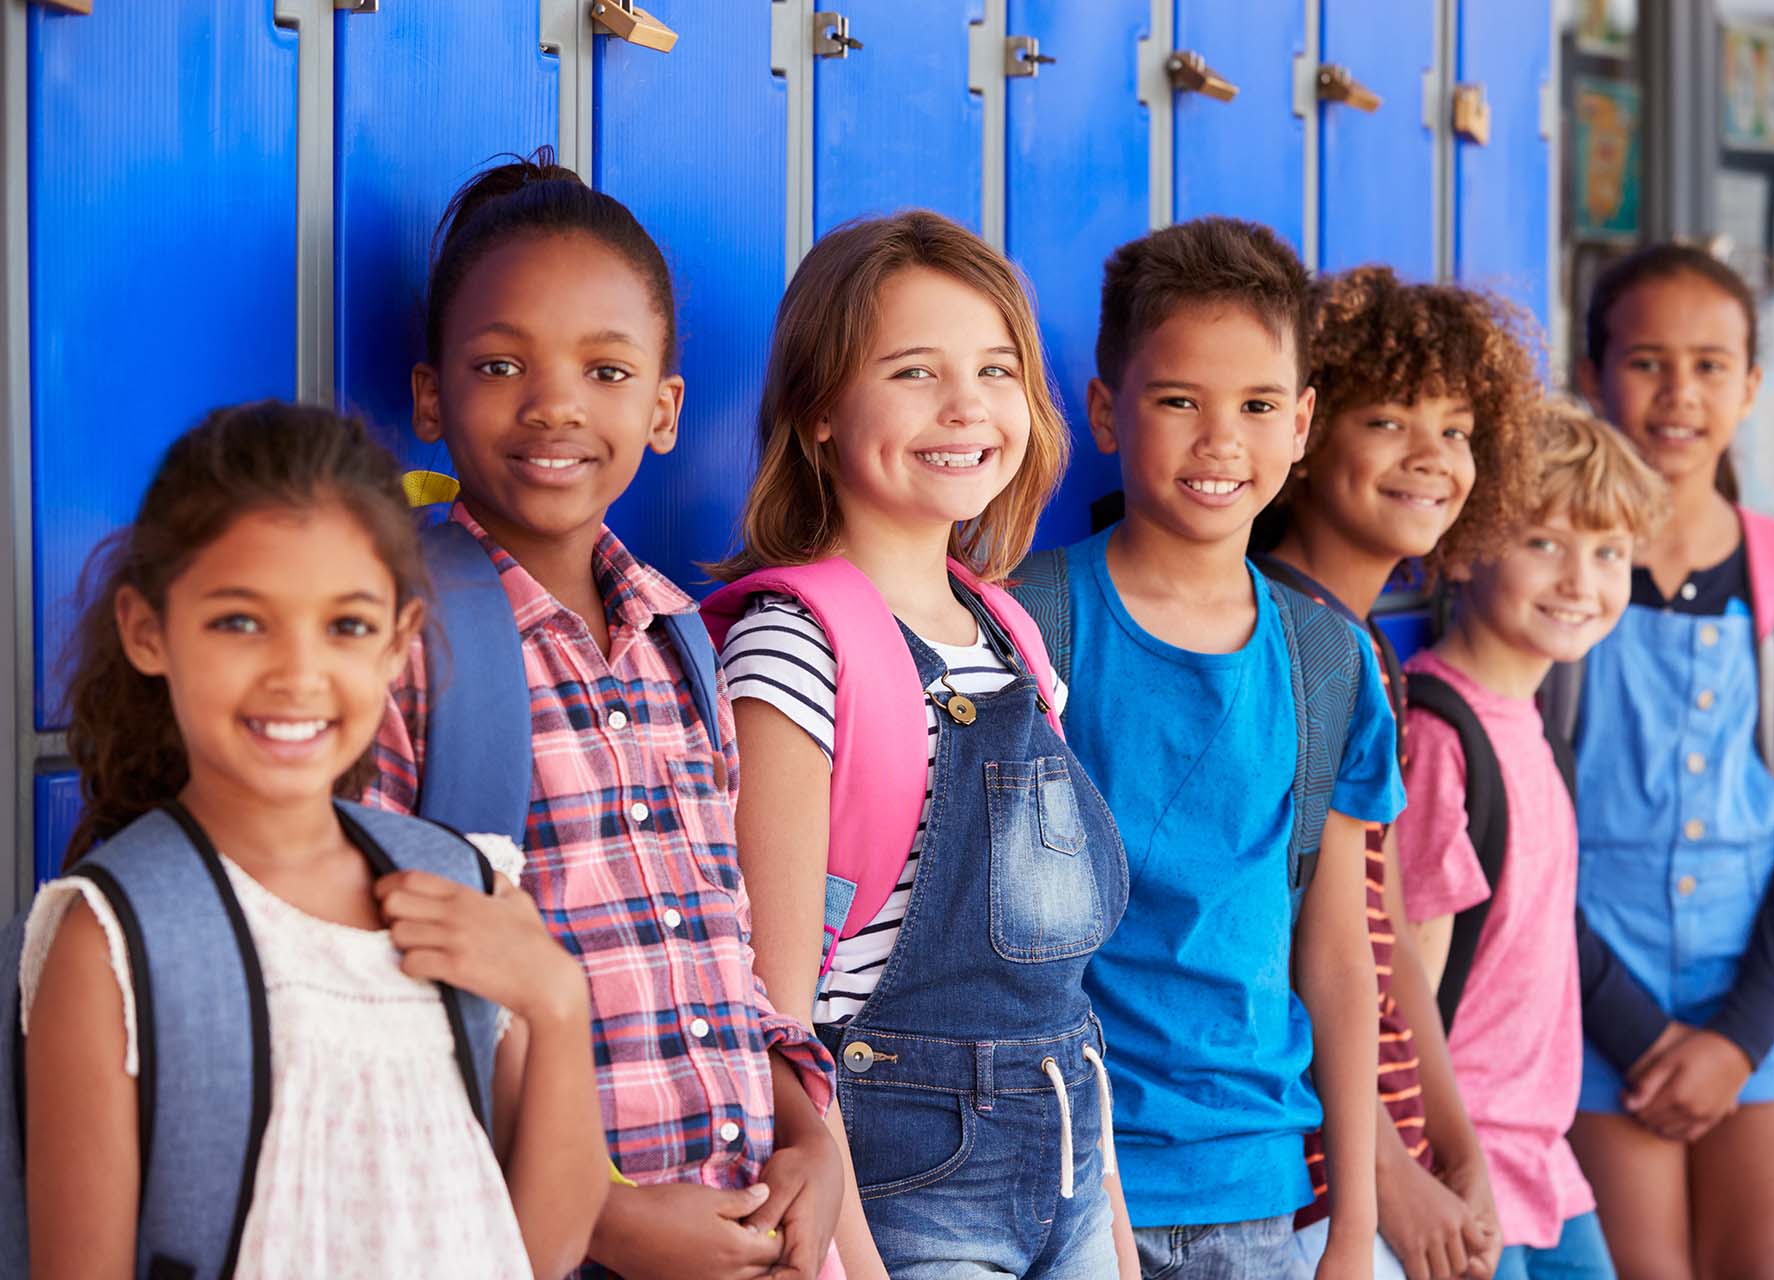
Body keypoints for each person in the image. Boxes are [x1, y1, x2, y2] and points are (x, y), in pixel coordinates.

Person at [365, 154, 842, 1280]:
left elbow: (719, 951)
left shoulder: (684, 636)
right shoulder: (398, 644)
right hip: (541, 1238)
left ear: (665, 409)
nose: (556, 404)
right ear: (431, 394)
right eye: (499, 363)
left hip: (751, 1233)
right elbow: (386, 992)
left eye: (607, 368)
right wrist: (604, 1219)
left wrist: (811, 1134)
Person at [21, 403, 606, 1277]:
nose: (298, 674)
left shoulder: (468, 889)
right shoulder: (108, 940)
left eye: (347, 626)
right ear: (150, 632)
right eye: (241, 622)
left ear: (398, 642)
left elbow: (544, 1249)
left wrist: (558, 1004)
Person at [704, 210, 1136, 1280]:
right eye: (913, 372)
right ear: (816, 413)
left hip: (1069, 1133)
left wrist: (1115, 1237)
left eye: (996, 369)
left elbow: (1062, 994)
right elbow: (779, 1011)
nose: (967, 407)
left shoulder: (1011, 633)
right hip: (905, 1171)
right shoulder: (797, 645)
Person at [1033, 217, 1403, 1278]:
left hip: (1261, 1191)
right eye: (1177, 401)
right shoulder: (1030, 629)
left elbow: (1337, 954)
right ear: (1106, 411)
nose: (1219, 440)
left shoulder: (1331, 660)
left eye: (1254, 406)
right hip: (1065, 1182)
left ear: (1302, 424)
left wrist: (1353, 1221)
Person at [1565, 243, 1774, 1277]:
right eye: (1645, 361)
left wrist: (1738, 1036)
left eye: (1710, 364)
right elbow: (1524, 835)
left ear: (1752, 385)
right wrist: (1640, 1032)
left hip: (1761, 1002)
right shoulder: (1555, 573)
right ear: (1592, 372)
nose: (1678, 393)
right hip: (1595, 999)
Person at [1255, 265, 1542, 1279]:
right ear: (1303, 434)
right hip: (1306, 1183)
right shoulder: (1271, 636)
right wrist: (1392, 1178)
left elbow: (1387, 934)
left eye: (1458, 429)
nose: (1433, 459)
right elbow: (1289, 952)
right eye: (1388, 421)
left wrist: (1455, 1148)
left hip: (1388, 1155)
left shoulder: (1367, 649)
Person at [1397, 402, 1668, 1279]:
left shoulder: (1531, 720)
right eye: (1545, 543)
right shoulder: (1441, 739)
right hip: (1461, 1164)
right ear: (1468, 547)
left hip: (1541, 1156)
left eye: (1610, 553)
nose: (1582, 581)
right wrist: (1430, 1165)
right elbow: (1404, 994)